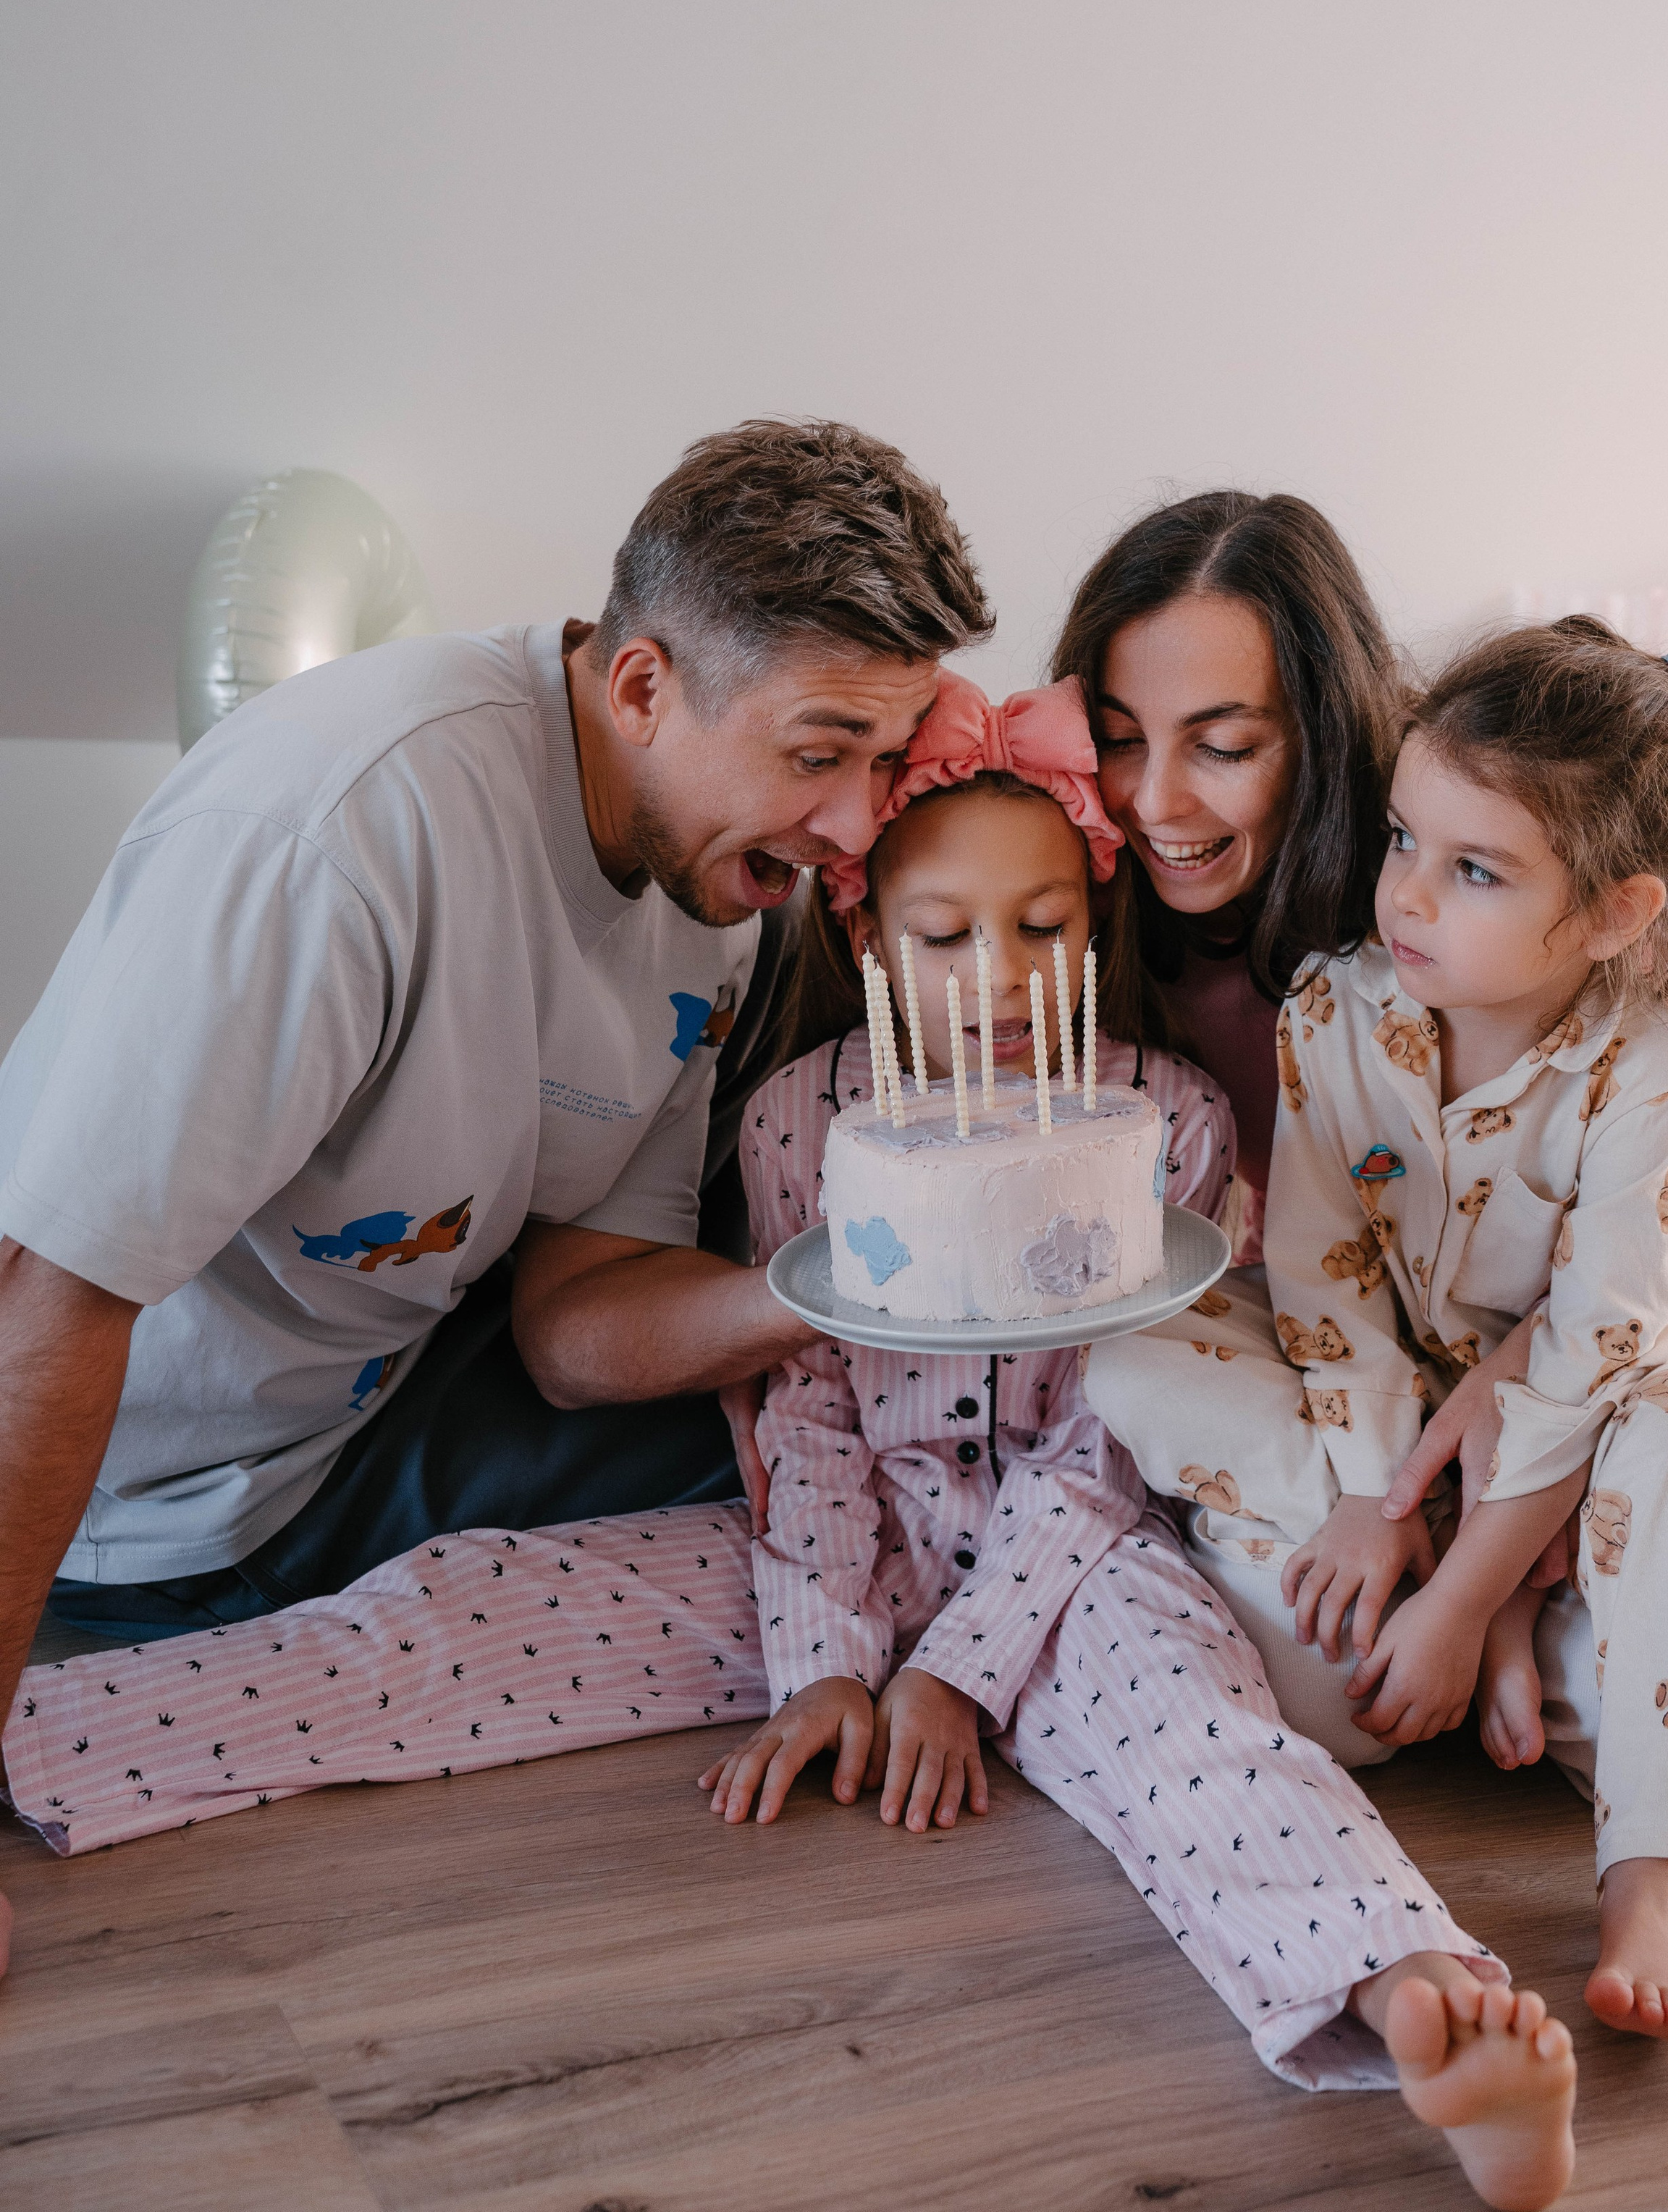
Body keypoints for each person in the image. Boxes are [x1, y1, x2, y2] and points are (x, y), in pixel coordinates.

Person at [8, 673, 1579, 2211]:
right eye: (945, 935)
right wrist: (826, 1652)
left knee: (1205, 1742)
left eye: (1041, 929)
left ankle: (1408, 1993)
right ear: (866, 934)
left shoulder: (1159, 1123)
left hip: (1077, 1561)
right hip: (831, 1534)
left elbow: (1121, 1435)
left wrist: (962, 1669)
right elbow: (800, 1408)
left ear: (1090, 924)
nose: (1001, 977)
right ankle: (38, 1742)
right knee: (470, 1604)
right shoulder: (796, 1121)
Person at [0, 416, 993, 1975]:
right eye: (819, 757)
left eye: (882, 758)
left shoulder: (710, 869)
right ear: (644, 686)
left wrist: (837, 1286)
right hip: (150, 1512)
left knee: (892, 1454)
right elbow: (47, 1293)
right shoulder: (340, 830)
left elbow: (577, 1314)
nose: (857, 826)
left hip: (374, 1404)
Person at [1087, 620, 1668, 2051]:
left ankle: (1652, 1877)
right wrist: (1380, 1508)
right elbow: (1323, 1284)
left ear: (1615, 913)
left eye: (1473, 870)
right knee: (1136, 1346)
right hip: (1388, 1439)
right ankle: (1496, 1672)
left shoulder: (1647, 1078)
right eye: (1399, 842)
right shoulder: (1333, 1012)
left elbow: (1591, 1361)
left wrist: (1464, 1596)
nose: (1406, 897)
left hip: (1577, 1437)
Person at [1051, 492, 1399, 1259]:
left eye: (1225, 746)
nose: (1153, 802)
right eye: (1119, 738)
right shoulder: (1076, 924)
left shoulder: (1436, 902)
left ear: (1326, 738)